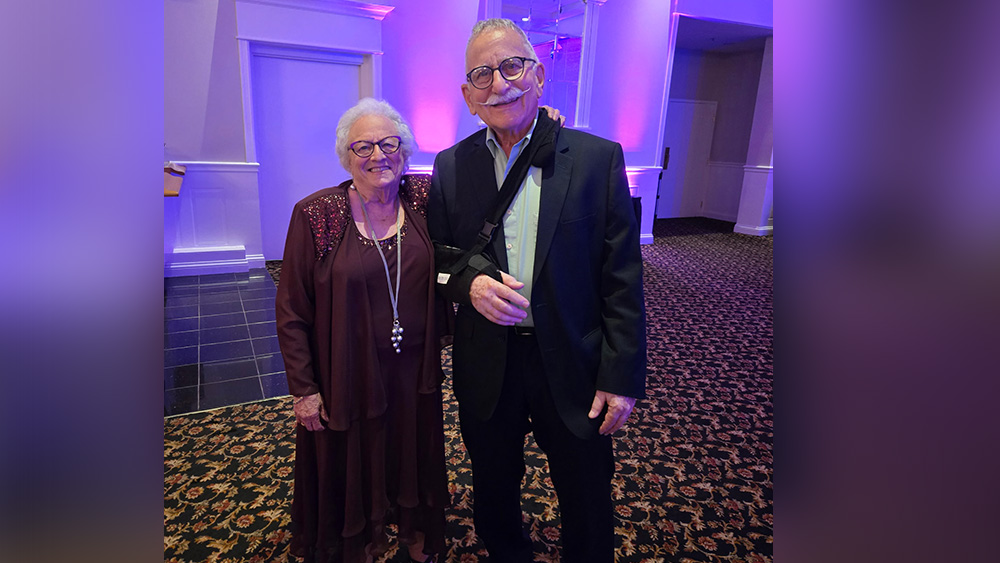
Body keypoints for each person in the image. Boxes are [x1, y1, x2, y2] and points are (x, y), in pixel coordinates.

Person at [428, 18, 647, 563]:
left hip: (572, 362)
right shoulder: (451, 167)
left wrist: (620, 378)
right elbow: (439, 258)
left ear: (538, 75)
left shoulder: (598, 159)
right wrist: (470, 284)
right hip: (488, 363)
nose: (498, 82)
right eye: (482, 74)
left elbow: (621, 277)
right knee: (494, 488)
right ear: (467, 96)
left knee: (587, 492)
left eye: (511, 66)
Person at [276, 98, 449, 563]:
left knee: (410, 445)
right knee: (356, 451)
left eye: (389, 143)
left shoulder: (423, 198)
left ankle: (411, 522)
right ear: (346, 156)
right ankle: (360, 535)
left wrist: (538, 123)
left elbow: (481, 179)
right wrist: (304, 389)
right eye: (364, 146)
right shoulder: (317, 214)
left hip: (413, 368)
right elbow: (291, 308)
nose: (379, 155)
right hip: (346, 371)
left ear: (405, 149)